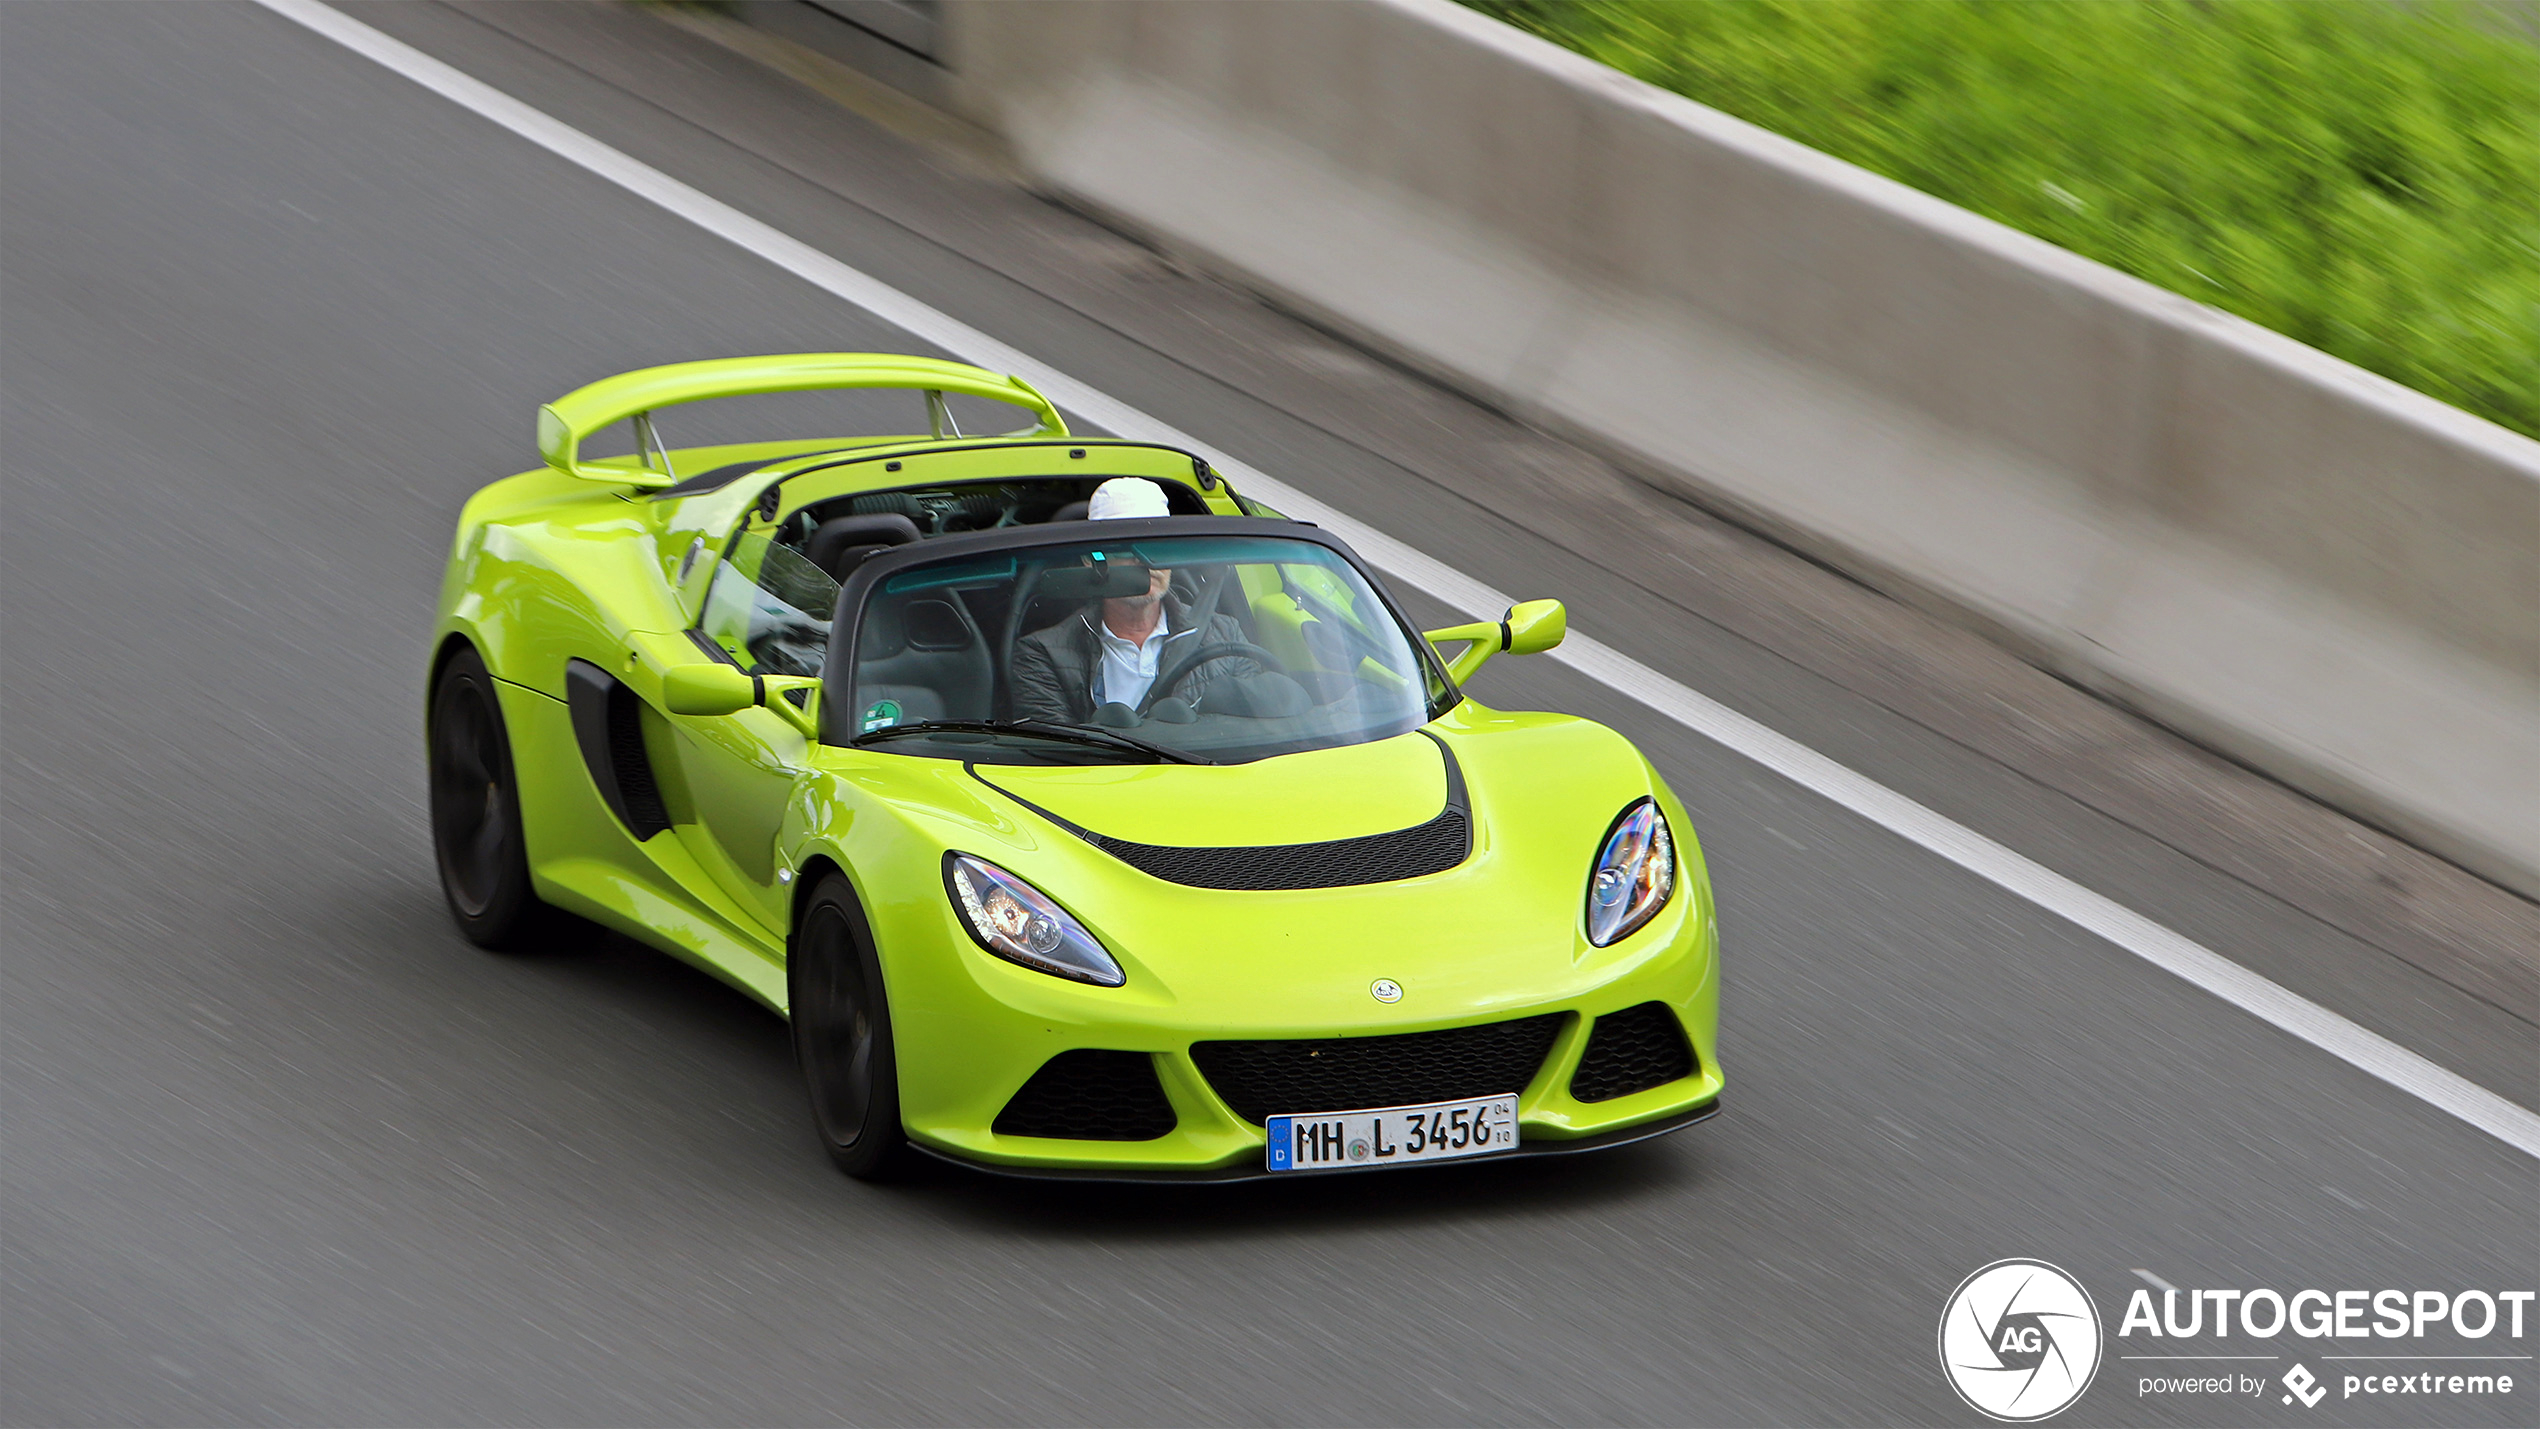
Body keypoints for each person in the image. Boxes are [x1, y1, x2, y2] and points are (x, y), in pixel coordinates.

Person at [1010, 478, 1260, 723]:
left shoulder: (1226, 635)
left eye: (1157, 546)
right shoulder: (1041, 654)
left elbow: (1258, 727)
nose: (1145, 561)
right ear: (1091, 559)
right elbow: (1056, 753)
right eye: (1127, 547)